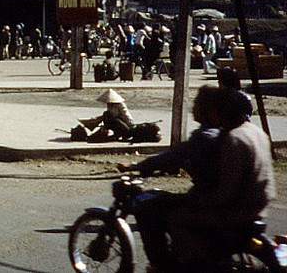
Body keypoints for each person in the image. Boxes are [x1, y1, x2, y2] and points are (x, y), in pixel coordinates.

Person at [168, 87, 276, 270]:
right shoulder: (257, 132)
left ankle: (197, 264)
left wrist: (204, 201)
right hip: (259, 206)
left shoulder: (233, 138)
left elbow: (226, 190)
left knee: (176, 218)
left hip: (237, 211)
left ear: (224, 112)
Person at [118, 86, 224, 272]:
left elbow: (172, 157)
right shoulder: (220, 132)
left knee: (147, 206)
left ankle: (161, 265)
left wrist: (139, 166)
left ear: (208, 109)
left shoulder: (204, 137)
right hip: (218, 197)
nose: (193, 108)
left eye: (197, 104)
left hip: (205, 199)